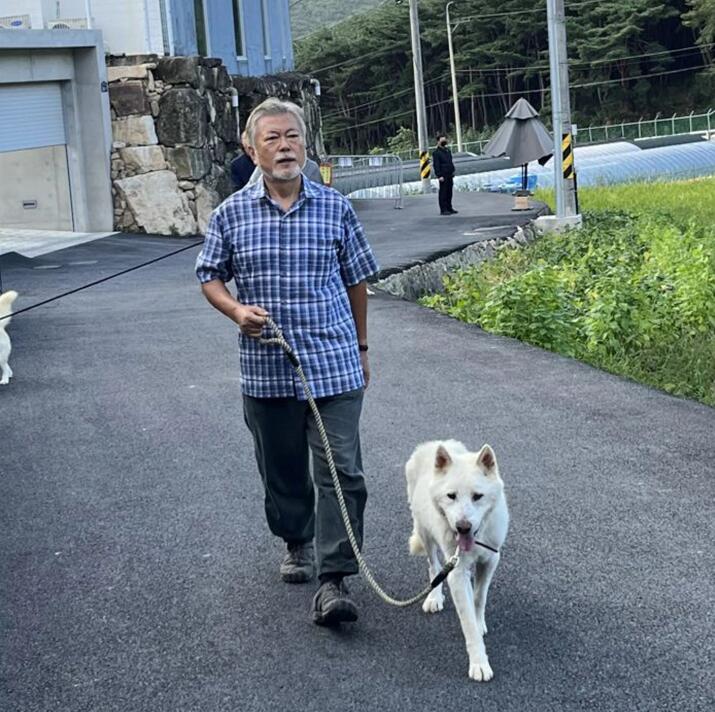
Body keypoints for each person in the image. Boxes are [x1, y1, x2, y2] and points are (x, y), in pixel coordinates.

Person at [195, 98, 378, 627]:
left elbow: (357, 279)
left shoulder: (335, 208)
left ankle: (334, 578)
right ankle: (296, 538)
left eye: (292, 136)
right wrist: (236, 311)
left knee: (342, 470)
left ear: (305, 144)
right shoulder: (230, 214)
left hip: (333, 361)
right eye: (272, 138)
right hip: (266, 367)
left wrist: (362, 347)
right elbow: (210, 275)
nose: (284, 147)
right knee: (281, 468)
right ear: (251, 150)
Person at [432, 134, 458, 215]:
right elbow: (436, 165)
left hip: (449, 174)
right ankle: (443, 209)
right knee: (443, 192)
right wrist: (439, 175)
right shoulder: (436, 153)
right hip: (443, 175)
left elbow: (450, 161)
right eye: (442, 140)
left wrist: (453, 170)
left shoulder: (447, 151)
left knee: (449, 192)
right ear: (438, 141)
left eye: (445, 140)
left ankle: (449, 207)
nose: (444, 141)